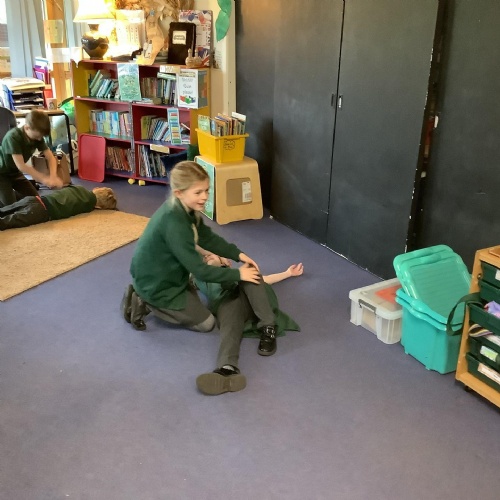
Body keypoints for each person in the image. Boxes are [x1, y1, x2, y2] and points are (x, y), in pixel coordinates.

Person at [121, 160, 263, 335]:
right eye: (198, 192)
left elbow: (207, 237)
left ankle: (154, 294)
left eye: (207, 190)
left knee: (196, 304)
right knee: (207, 324)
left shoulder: (185, 208)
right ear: (179, 193)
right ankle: (144, 300)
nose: (205, 197)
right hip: (156, 284)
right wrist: (239, 274)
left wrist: (238, 254)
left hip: (170, 274)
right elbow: (200, 271)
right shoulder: (174, 223)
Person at [195, 254, 303, 396]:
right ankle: (227, 369)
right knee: (229, 327)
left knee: (250, 272)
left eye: (211, 254)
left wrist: (288, 273)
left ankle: (268, 328)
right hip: (226, 303)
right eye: (204, 256)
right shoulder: (200, 277)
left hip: (251, 299)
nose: (207, 256)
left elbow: (265, 279)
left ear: (226, 261)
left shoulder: (238, 272)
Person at [0, 109, 63, 207]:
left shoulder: (37, 137)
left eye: (41, 137)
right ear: (27, 127)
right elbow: (22, 166)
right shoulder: (13, 137)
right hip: (2, 174)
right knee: (11, 207)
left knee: (36, 200)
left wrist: (53, 176)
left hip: (15, 173)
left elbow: (50, 157)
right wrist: (44, 179)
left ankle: (11, 197)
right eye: (37, 136)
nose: (39, 139)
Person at [0, 185, 117, 231]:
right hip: (41, 211)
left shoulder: (79, 188)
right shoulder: (88, 206)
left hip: (35, 199)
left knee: (4, 210)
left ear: (96, 188)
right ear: (98, 207)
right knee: (8, 221)